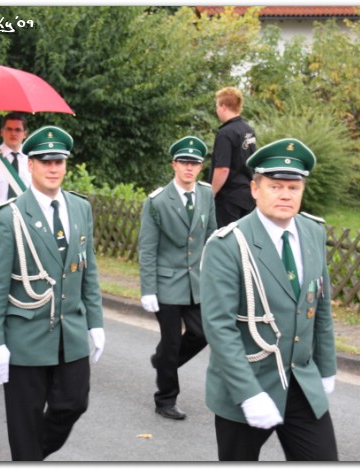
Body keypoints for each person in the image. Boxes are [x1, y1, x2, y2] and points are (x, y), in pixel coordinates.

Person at [200, 138, 338, 461]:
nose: (285, 195)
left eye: (293, 187)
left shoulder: (313, 232)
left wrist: (326, 367)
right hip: (248, 384)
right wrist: (248, 394)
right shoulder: (228, 244)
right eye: (275, 186)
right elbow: (220, 328)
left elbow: (320, 306)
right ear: (254, 189)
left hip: (301, 382)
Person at [0, 125, 105, 461]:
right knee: (25, 420)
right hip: (25, 337)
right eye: (45, 162)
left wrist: (96, 322)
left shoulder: (80, 208)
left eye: (58, 162)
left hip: (70, 333)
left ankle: (31, 456)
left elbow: (87, 269)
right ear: (30, 165)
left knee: (74, 402)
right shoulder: (9, 217)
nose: (53, 169)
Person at [138, 136, 217, 420]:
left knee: (203, 333)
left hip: (197, 283)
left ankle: (162, 361)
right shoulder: (157, 202)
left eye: (194, 163)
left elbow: (212, 236)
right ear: (174, 165)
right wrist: (148, 289)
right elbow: (147, 248)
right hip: (166, 284)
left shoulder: (206, 194)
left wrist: (215, 277)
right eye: (184, 162)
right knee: (171, 343)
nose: (189, 168)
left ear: (201, 167)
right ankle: (165, 399)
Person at [208, 86, 257, 228]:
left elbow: (223, 169)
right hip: (248, 197)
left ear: (223, 107)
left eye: (217, 106)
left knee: (226, 237)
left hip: (228, 199)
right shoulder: (248, 131)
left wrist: (211, 194)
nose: (217, 110)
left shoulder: (225, 133)